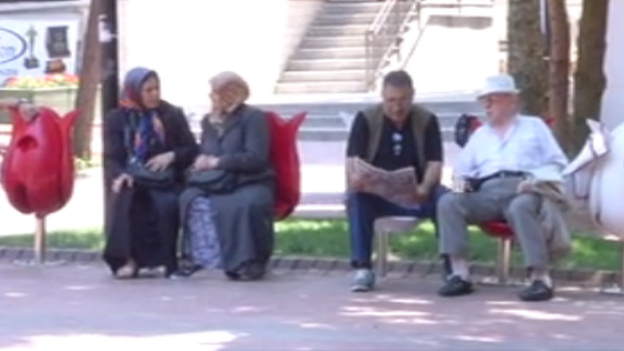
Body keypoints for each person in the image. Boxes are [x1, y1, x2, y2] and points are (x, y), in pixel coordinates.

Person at [437, 74, 569, 302]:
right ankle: (459, 275)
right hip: (485, 191)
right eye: (484, 101)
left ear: (511, 100)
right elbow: (461, 174)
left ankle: (540, 278)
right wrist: (458, 189)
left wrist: (535, 180)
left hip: (524, 188)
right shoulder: (479, 135)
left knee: (521, 207)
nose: (486, 105)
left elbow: (558, 163)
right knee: (448, 202)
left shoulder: (534, 126)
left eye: (492, 99)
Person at [345, 70, 450, 292]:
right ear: (382, 96)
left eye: (403, 100)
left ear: (412, 95)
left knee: (447, 199)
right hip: (378, 195)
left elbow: (435, 161)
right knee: (356, 198)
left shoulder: (427, 120)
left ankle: (452, 265)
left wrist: (424, 187)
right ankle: (362, 267)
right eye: (390, 100)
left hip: (418, 193)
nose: (397, 108)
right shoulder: (366, 118)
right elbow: (352, 159)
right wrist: (356, 179)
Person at [176, 71, 274, 281]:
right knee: (189, 198)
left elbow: (256, 157)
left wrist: (219, 162)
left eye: (217, 93)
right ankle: (199, 259)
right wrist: (201, 161)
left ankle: (246, 263)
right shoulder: (209, 121)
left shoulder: (253, 117)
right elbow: (206, 150)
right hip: (216, 180)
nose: (212, 97)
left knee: (244, 204)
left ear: (233, 94)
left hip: (249, 179)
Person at [102, 67, 198, 279]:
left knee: (167, 204)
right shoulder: (118, 118)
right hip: (134, 175)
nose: (155, 94)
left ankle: (168, 262)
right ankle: (128, 259)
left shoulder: (170, 114)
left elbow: (191, 149)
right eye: (148, 90)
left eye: (157, 89)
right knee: (128, 198)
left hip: (165, 177)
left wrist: (171, 155)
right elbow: (112, 155)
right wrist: (120, 174)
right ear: (134, 91)